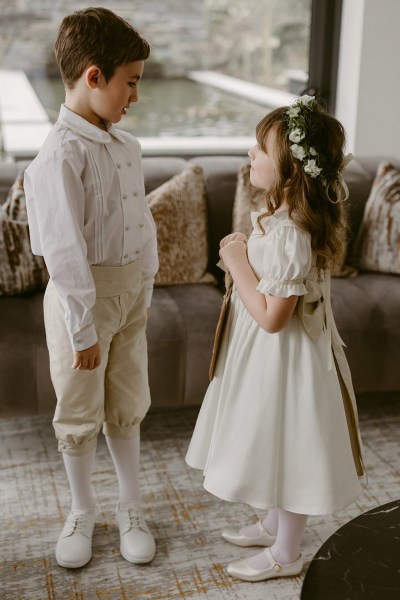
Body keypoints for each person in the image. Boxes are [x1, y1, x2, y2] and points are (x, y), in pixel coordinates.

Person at [185, 95, 364, 582]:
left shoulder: (291, 234)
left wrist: (238, 262)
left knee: (289, 445)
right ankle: (274, 524)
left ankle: (287, 552)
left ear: (289, 171)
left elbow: (272, 317)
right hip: (268, 358)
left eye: (260, 149)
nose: (250, 155)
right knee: (269, 439)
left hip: (285, 358)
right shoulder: (282, 218)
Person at [24, 7, 158, 569]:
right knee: (80, 407)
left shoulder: (126, 147)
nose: (134, 97)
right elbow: (63, 252)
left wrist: (146, 280)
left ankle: (131, 504)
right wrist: (82, 327)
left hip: (131, 294)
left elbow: (140, 220)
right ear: (94, 77)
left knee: (127, 400)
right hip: (85, 301)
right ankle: (82, 508)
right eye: (130, 83)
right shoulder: (58, 157)